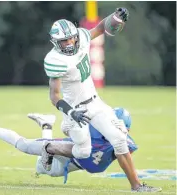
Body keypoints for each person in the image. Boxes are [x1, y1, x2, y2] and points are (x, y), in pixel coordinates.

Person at [42, 7, 160, 192]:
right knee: (83, 152)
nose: (68, 42)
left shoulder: (81, 38)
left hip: (95, 103)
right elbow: (54, 96)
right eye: (63, 41)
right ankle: (49, 148)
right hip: (75, 111)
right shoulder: (55, 59)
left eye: (70, 38)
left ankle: (136, 186)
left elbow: (101, 27)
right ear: (56, 42)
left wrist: (115, 18)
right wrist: (71, 112)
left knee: (120, 139)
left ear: (75, 35)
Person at [0, 108, 161, 192]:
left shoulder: (124, 142)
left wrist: (135, 183)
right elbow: (67, 134)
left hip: (74, 163)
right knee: (25, 146)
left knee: (42, 169)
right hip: (67, 149)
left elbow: (124, 155)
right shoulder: (90, 127)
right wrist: (52, 149)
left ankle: (46, 124)